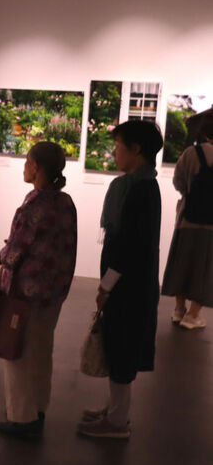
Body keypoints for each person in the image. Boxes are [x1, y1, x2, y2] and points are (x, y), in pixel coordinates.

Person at [78, 120, 163, 439]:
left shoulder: (140, 190)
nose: (114, 152)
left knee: (123, 349)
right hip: (130, 285)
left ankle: (116, 422)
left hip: (130, 288)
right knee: (118, 346)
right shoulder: (137, 185)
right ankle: (114, 410)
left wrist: (106, 285)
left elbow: (130, 247)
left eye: (118, 146)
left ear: (136, 149)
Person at [0, 141, 78, 439]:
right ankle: (38, 409)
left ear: (37, 167)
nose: (24, 165)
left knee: (16, 353)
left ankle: (22, 419)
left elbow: (15, 252)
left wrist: (4, 255)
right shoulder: (65, 202)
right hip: (53, 293)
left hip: (26, 294)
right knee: (42, 350)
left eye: (27, 160)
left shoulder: (34, 204)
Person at [161, 113, 213, 329]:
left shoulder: (191, 153)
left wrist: (189, 194)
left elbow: (178, 182)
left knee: (182, 263)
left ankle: (178, 309)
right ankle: (193, 315)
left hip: (187, 220)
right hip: (211, 226)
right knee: (206, 268)